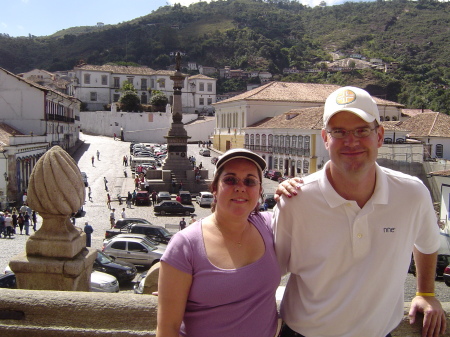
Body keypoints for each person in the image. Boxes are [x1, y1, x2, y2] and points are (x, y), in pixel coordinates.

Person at [274, 86, 446, 337]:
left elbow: (428, 243)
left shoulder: (412, 194)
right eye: (339, 132)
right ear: (325, 138)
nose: (351, 141)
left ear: (379, 136)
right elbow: (269, 270)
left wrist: (426, 293)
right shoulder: (295, 200)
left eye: (362, 130)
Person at [156, 148, 282, 337]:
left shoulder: (270, 225)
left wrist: (295, 187)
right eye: (230, 179)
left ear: (260, 191)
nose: (240, 187)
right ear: (214, 188)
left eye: (250, 181)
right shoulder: (185, 245)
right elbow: (167, 329)